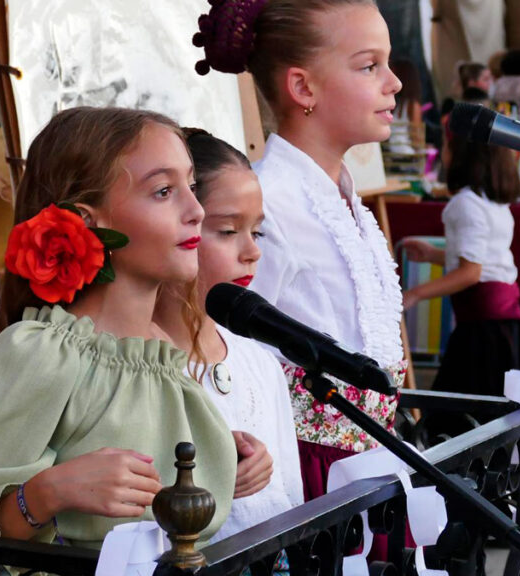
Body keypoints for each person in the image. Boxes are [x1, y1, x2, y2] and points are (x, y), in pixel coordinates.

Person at [0, 107, 239, 561]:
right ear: (88, 221)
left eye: (192, 186)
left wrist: (225, 458)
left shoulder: (162, 352)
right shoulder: (43, 352)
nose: (196, 210)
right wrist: (47, 492)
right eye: (164, 191)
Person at [192, 0, 407, 501]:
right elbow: (223, 341)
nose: (394, 82)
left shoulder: (342, 197)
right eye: (369, 66)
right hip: (307, 468)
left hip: (368, 459)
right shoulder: (269, 201)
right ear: (303, 87)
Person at [154, 128, 304, 543]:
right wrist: (211, 477)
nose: (252, 252)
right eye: (227, 231)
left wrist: (266, 468)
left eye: (257, 232)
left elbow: (291, 501)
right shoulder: (138, 365)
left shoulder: (259, 362)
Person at [401, 138, 520, 428]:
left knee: (460, 414)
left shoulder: (466, 203)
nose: (444, 152)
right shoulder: (492, 201)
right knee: (492, 410)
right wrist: (434, 255)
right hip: (503, 322)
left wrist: (415, 294)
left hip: (482, 326)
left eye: (448, 145)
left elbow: (471, 272)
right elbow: (483, 259)